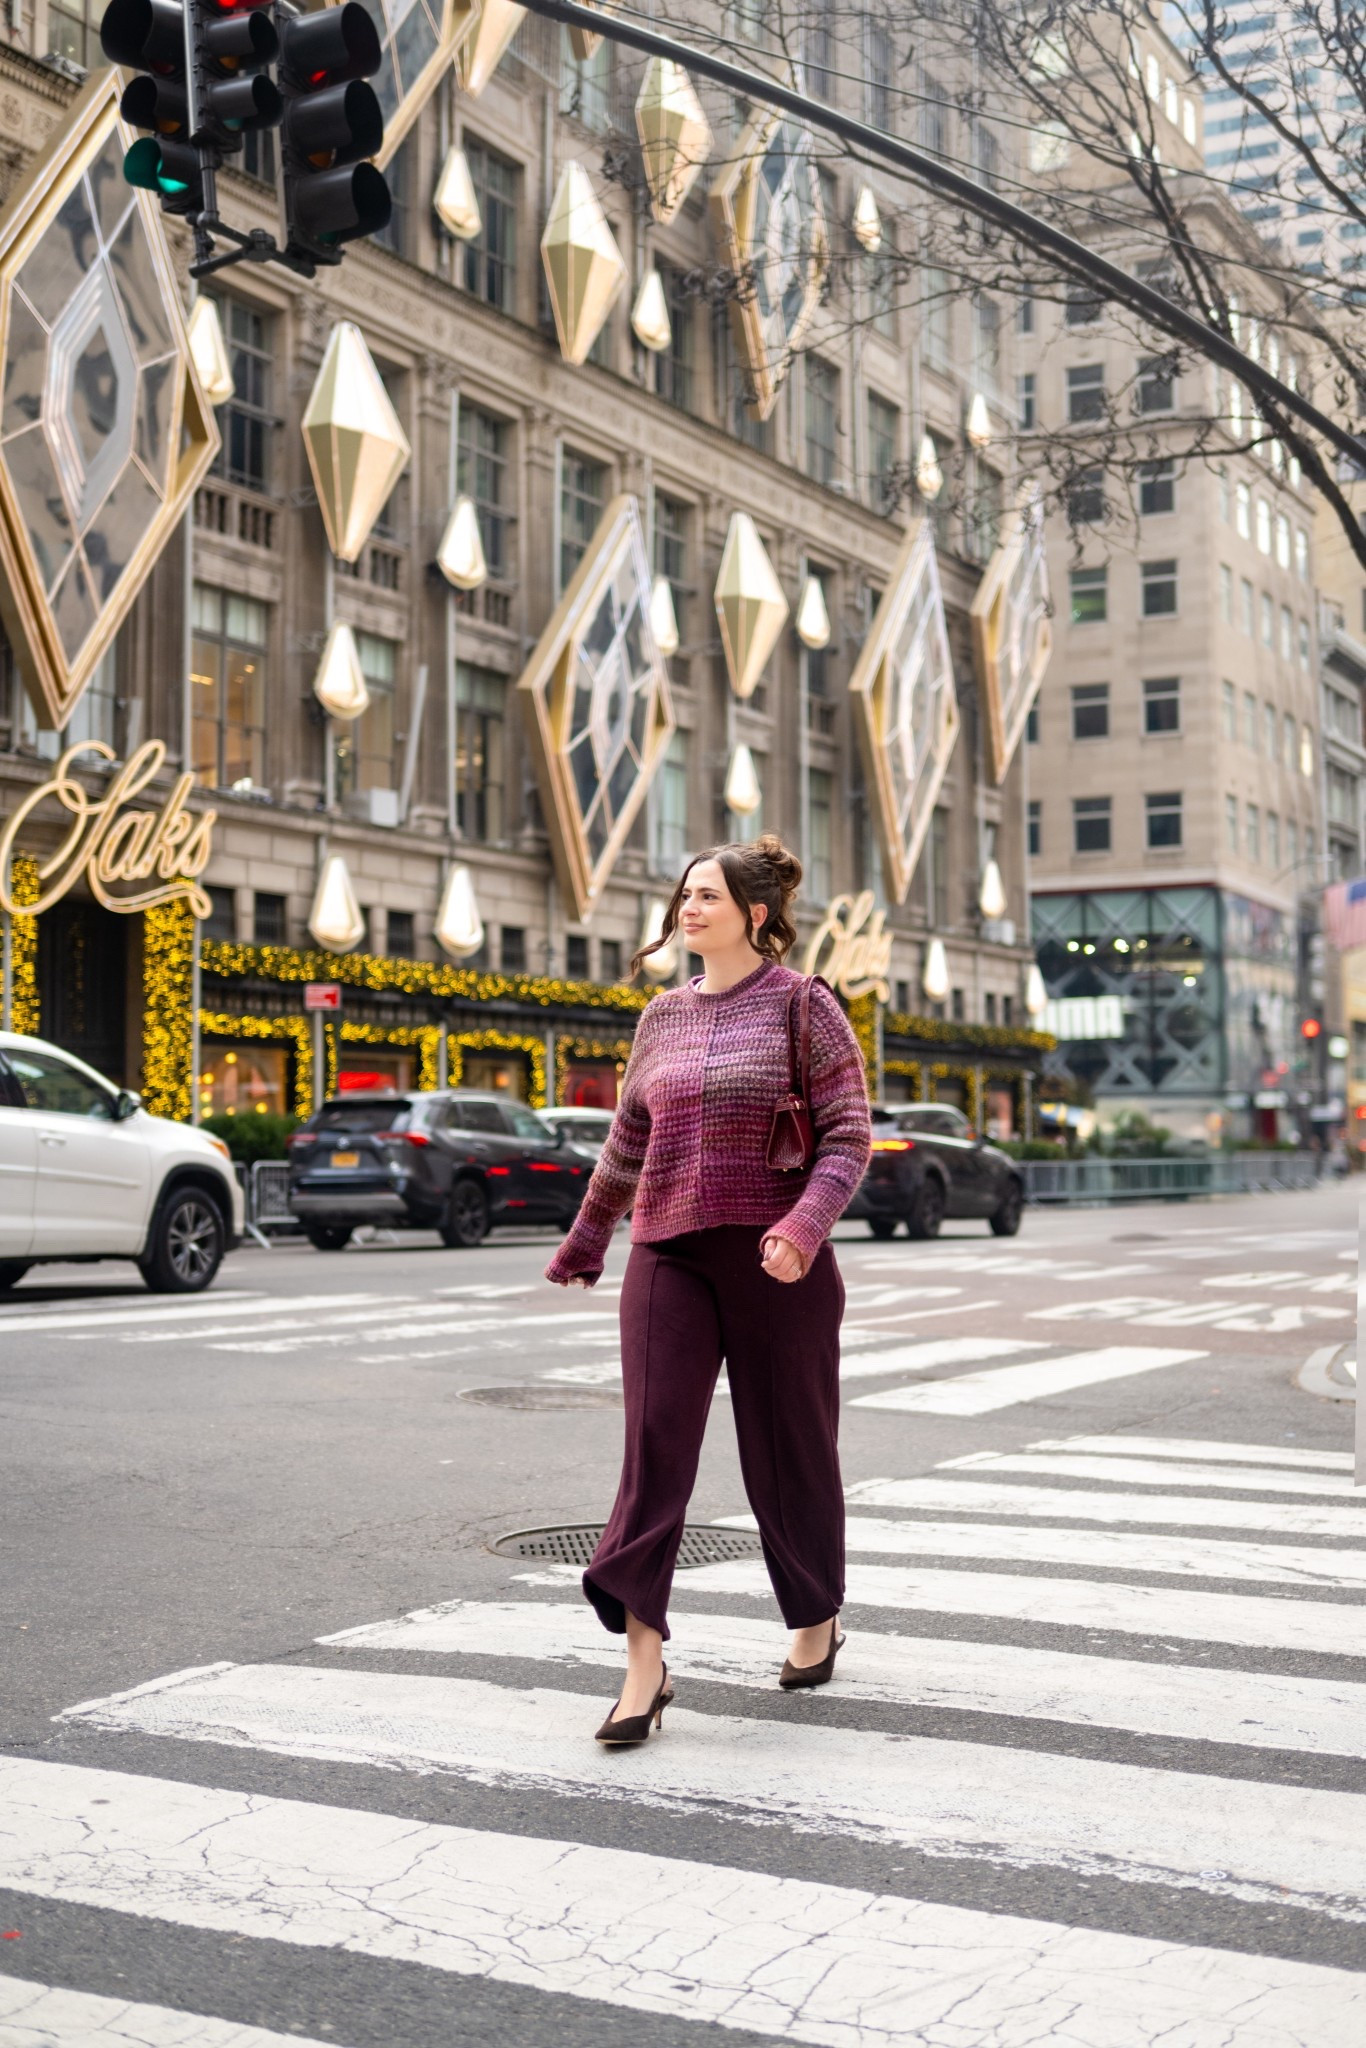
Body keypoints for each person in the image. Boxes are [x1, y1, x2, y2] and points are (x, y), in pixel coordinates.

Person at [543, 835, 873, 1746]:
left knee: (789, 1447)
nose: (687, 910)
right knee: (654, 1449)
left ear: (754, 914)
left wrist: (802, 1229)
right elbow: (627, 1143)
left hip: (777, 1262)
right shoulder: (661, 1017)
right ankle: (643, 1665)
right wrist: (586, 1240)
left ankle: (815, 1615)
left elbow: (849, 1137)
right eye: (684, 895)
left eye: (707, 897)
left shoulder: (806, 1006)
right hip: (669, 1257)